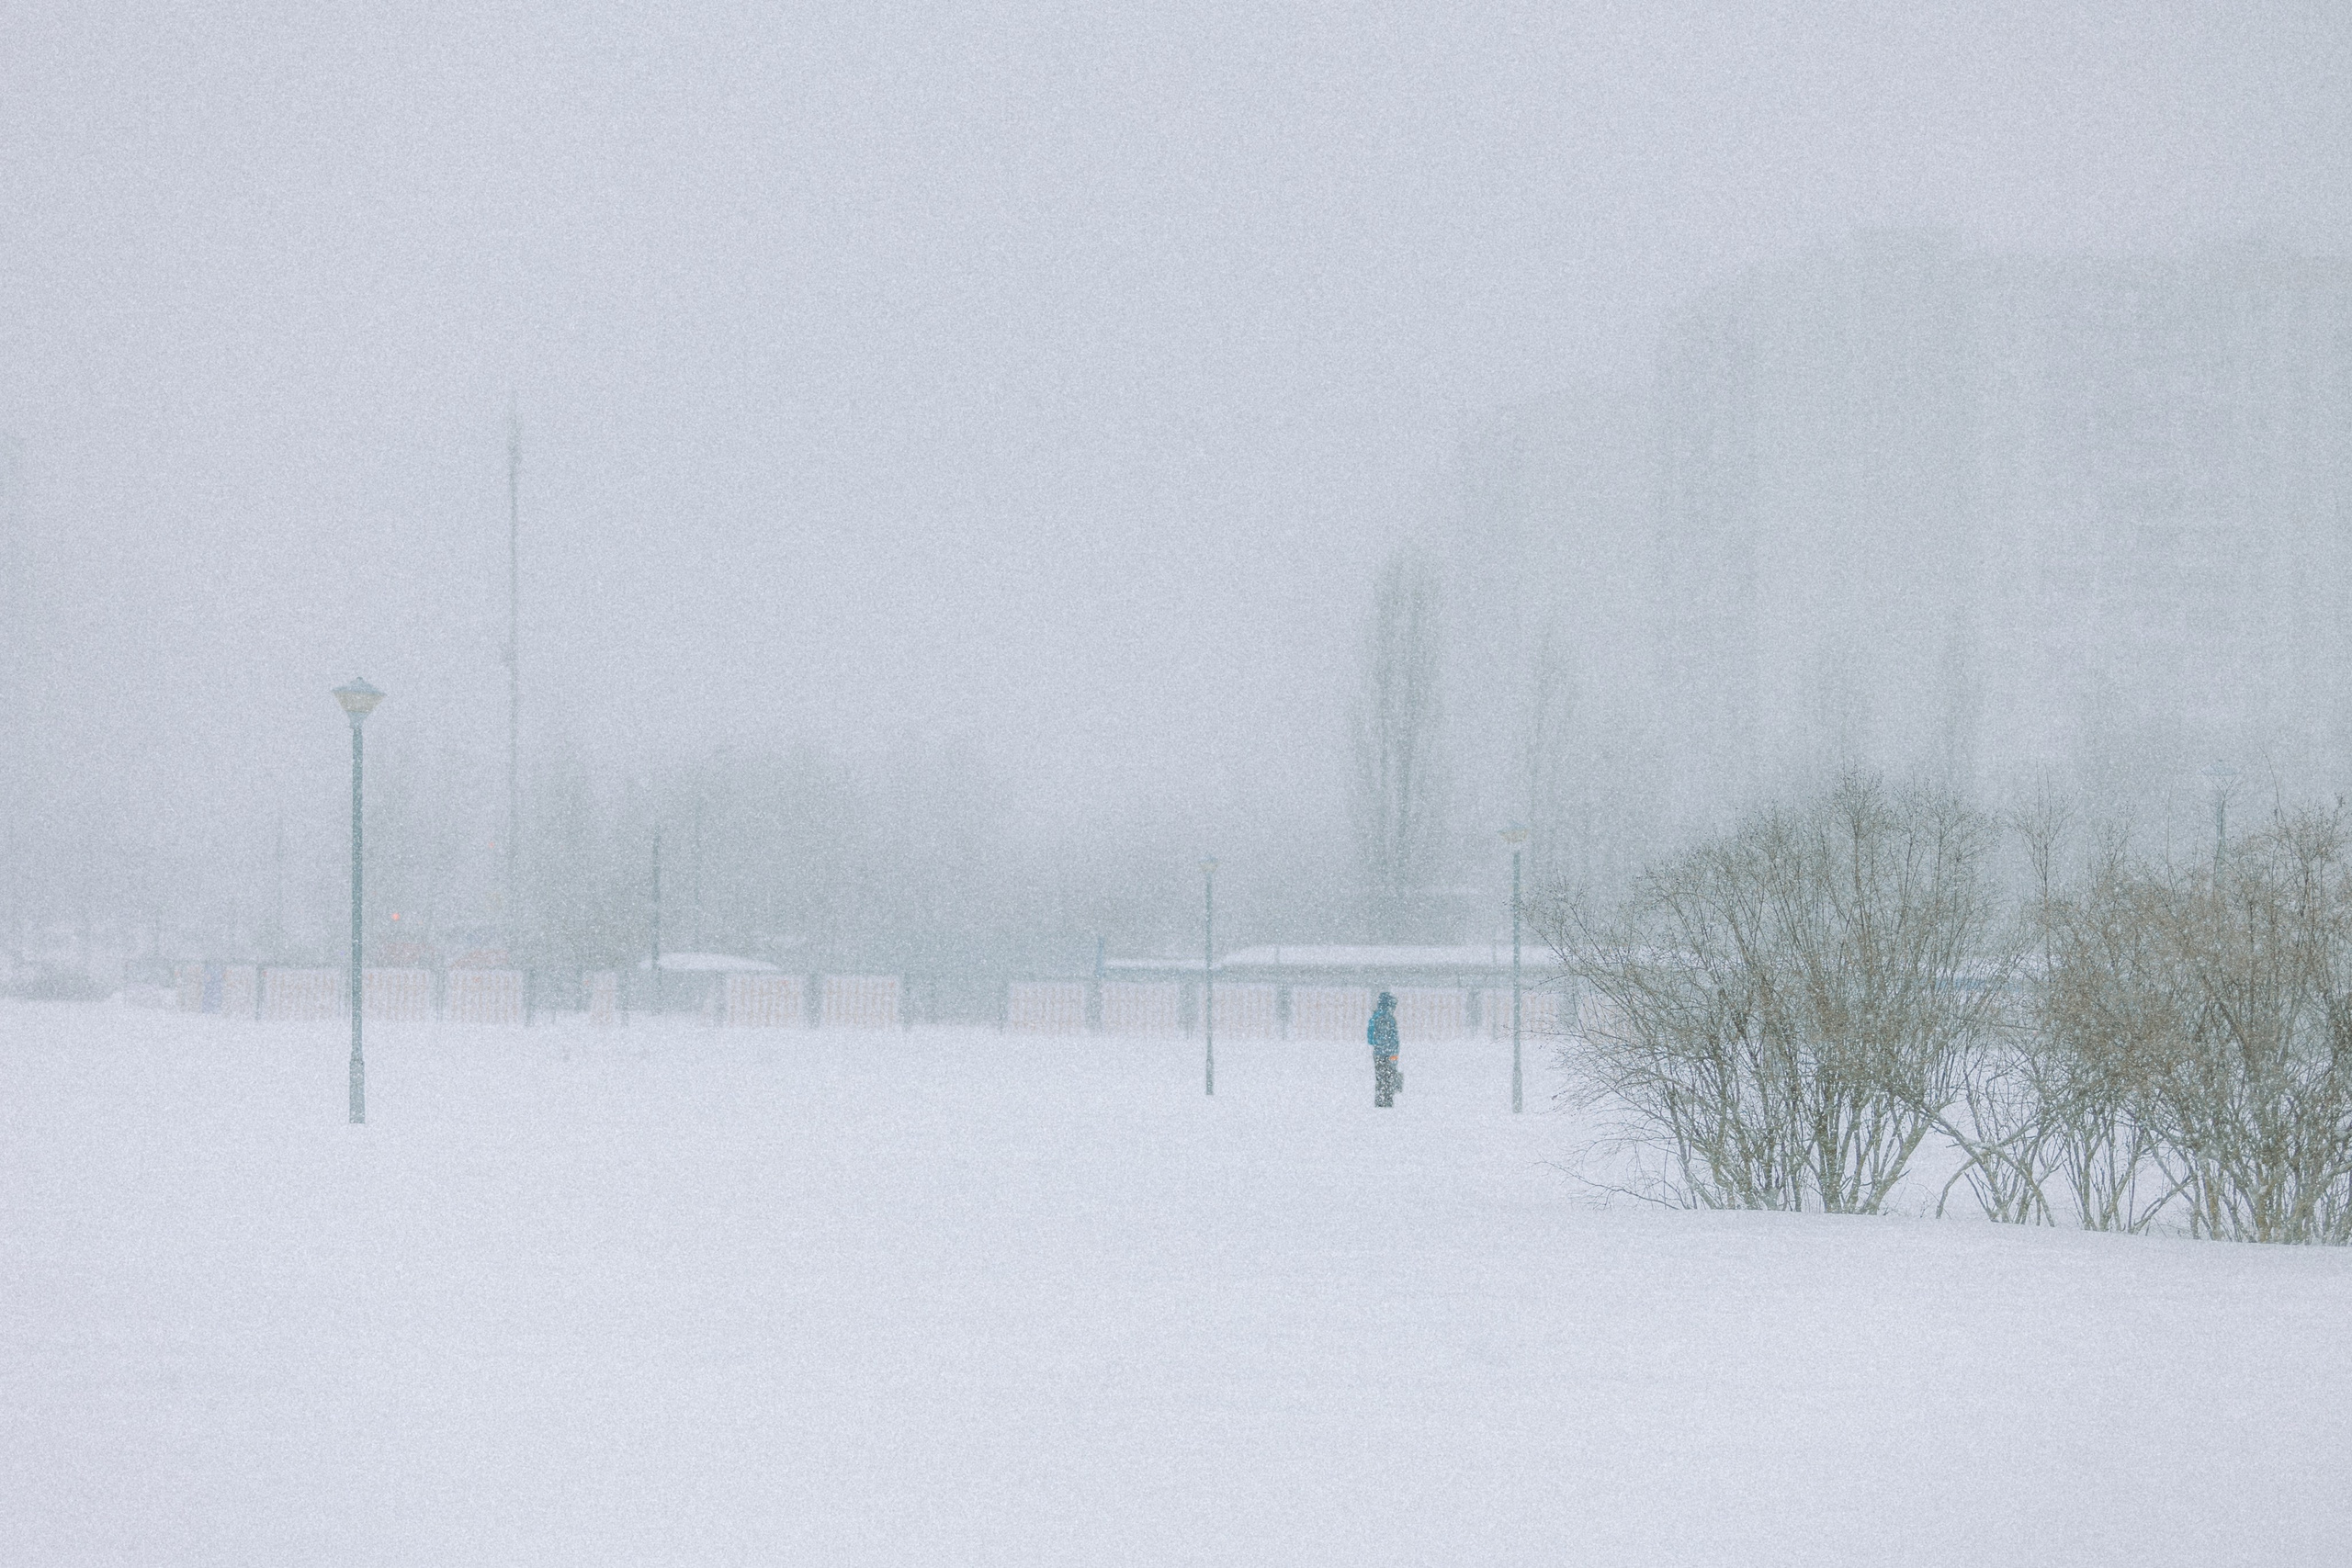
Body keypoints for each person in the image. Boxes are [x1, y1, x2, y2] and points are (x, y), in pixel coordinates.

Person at [1369, 990, 1400, 1107]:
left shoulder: (1375, 1017)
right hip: (1391, 1054)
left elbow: (1370, 1038)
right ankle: (1388, 1100)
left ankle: (1379, 1100)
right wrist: (1394, 1052)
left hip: (1378, 1053)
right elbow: (1395, 1039)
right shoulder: (1391, 1019)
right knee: (1390, 1076)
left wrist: (1378, 1044)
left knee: (1380, 1077)